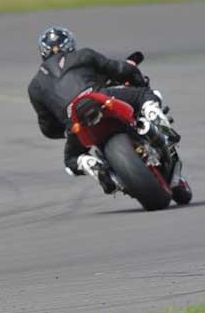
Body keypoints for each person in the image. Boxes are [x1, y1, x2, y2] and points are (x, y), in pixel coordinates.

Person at [27, 26, 178, 193]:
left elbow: (47, 127)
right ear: (70, 44)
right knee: (144, 95)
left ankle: (91, 165)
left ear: (43, 52)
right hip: (99, 97)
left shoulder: (34, 87)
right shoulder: (83, 54)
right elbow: (120, 69)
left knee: (71, 160)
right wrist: (138, 80)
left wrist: (66, 129)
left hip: (76, 120)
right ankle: (154, 116)